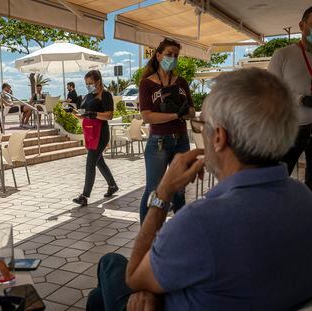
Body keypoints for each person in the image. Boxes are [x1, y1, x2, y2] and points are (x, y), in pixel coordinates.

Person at [87, 68, 312, 311]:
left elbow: (135, 277)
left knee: (110, 263)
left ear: (219, 137)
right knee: (98, 299)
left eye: (201, 123)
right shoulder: (304, 198)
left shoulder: (200, 223)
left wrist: (163, 192)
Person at [138, 38, 195, 223]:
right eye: (169, 54)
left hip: (181, 140)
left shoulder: (182, 82)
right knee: (153, 189)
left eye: (176, 56)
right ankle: (147, 237)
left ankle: (179, 233)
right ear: (159, 55)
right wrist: (175, 115)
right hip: (158, 142)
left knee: (179, 189)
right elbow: (147, 116)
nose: (172, 58)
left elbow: (192, 111)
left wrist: (184, 111)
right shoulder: (147, 83)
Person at [268, 6, 312, 189]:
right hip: (292, 129)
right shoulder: (283, 55)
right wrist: (301, 99)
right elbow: (271, 90)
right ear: (302, 25)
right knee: (278, 180)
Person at [72, 70, 119, 206]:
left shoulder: (105, 95)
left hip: (100, 133)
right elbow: (82, 115)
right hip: (89, 133)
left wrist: (94, 114)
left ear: (98, 82)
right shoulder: (87, 97)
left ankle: (84, 196)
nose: (88, 85)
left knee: (90, 163)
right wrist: (72, 112)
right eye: (86, 83)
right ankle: (112, 185)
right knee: (99, 162)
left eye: (91, 83)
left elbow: (109, 115)